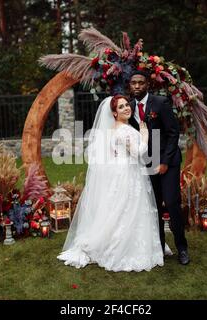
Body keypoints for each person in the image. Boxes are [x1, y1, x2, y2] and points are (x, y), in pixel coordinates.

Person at [57, 95, 164, 272]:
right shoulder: (124, 131)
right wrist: (144, 137)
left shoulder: (115, 129)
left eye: (126, 105)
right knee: (128, 209)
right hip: (128, 173)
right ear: (114, 113)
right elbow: (137, 153)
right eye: (121, 107)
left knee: (120, 210)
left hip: (121, 171)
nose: (126, 108)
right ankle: (124, 248)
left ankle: (121, 241)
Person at [128, 70, 190, 265]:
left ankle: (182, 248)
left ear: (147, 85)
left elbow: (173, 133)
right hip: (147, 163)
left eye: (140, 83)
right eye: (133, 83)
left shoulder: (160, 103)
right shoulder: (129, 108)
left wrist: (164, 161)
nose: (137, 86)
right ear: (130, 86)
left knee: (171, 204)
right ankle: (160, 248)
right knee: (153, 207)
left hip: (167, 162)